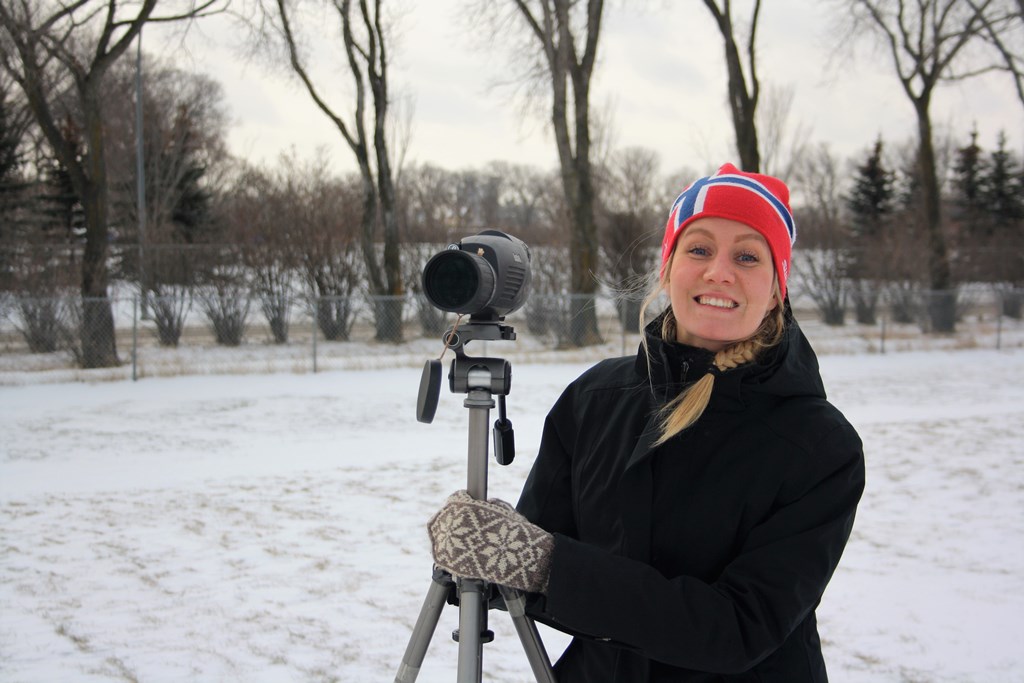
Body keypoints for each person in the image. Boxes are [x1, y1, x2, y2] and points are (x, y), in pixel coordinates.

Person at [428, 163, 865, 682]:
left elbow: (739, 630)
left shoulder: (819, 447)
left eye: (747, 256)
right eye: (699, 249)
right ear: (669, 267)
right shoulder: (593, 399)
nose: (718, 272)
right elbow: (542, 580)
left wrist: (544, 564)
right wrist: (491, 557)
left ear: (776, 289)